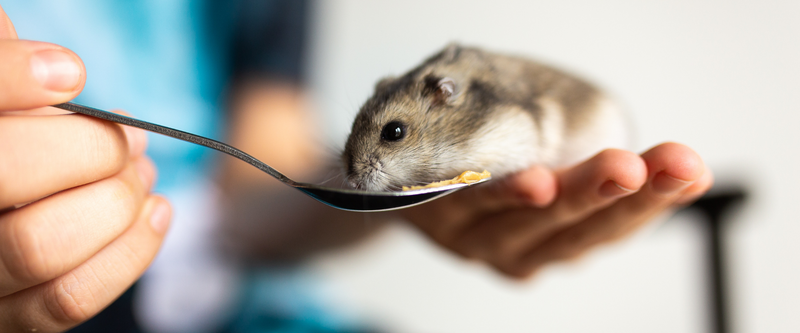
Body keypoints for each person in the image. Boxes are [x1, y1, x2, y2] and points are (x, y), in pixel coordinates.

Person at [0, 1, 713, 332]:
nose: (364, 164)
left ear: (444, 101)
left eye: (394, 136)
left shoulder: (481, 109)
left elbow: (258, 175)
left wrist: (414, 201)